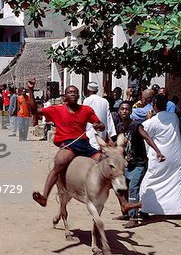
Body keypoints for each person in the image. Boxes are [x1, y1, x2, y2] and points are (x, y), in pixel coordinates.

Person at [27, 78, 140, 213]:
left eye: (75, 92)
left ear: (79, 95)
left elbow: (101, 124)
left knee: (110, 165)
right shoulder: (56, 110)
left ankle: (123, 203)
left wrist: (99, 125)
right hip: (69, 144)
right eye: (70, 92)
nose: (73, 94)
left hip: (84, 144)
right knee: (59, 162)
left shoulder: (86, 110)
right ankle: (45, 196)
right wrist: (31, 90)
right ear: (65, 96)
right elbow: (35, 110)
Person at [114, 101, 165, 228]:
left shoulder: (136, 125)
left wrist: (158, 152)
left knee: (133, 188)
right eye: (122, 109)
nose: (124, 111)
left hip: (139, 163)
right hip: (127, 163)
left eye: (127, 109)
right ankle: (126, 212)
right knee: (121, 187)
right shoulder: (119, 127)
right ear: (119, 111)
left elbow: (147, 138)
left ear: (130, 112)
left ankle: (133, 217)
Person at [140, 95, 181, 215]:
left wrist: (148, 118)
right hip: (174, 156)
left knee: (148, 182)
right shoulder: (174, 117)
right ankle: (175, 209)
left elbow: (143, 131)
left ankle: (145, 208)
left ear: (154, 106)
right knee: (174, 182)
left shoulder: (152, 122)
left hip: (159, 157)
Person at [83, 81, 116, 150]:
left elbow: (84, 116)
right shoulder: (104, 101)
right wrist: (110, 133)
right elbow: (108, 117)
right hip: (102, 132)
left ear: (87, 90)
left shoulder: (87, 100)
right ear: (97, 91)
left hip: (90, 131)